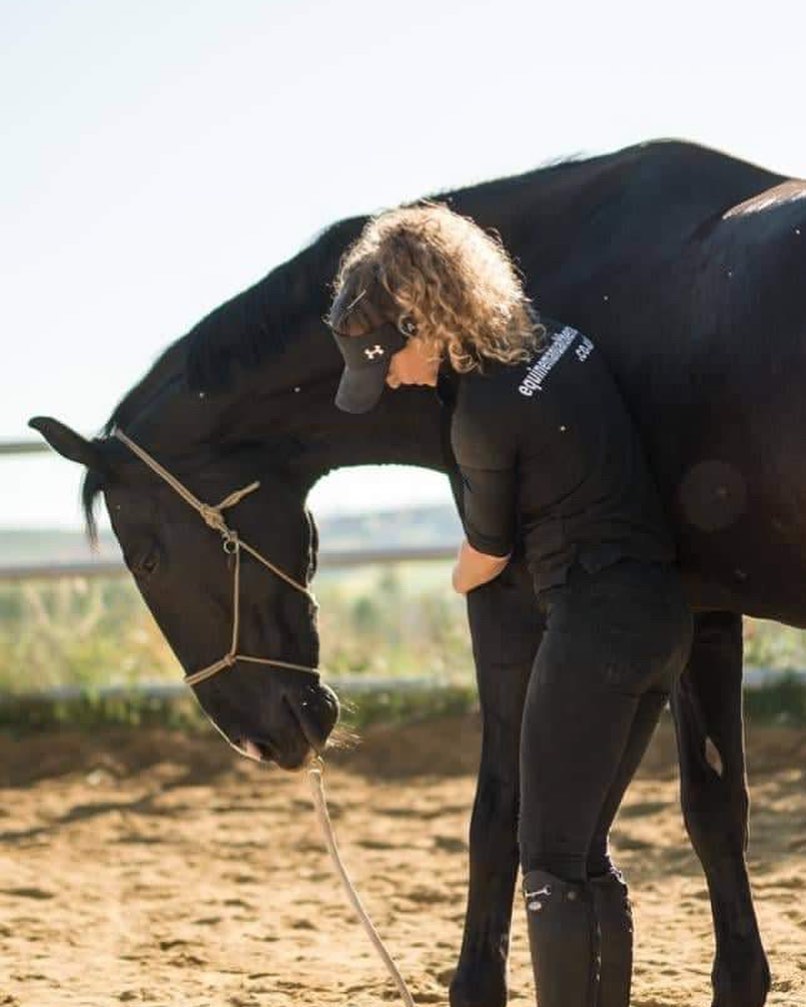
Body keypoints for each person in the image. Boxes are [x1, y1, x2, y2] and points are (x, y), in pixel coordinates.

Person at [326, 203, 693, 1007]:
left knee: (548, 857)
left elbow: (486, 556)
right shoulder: (559, 337)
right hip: (664, 617)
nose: (390, 379)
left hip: (594, 623)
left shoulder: (481, 416)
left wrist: (451, 580)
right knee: (585, 851)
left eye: (386, 360)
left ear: (420, 318)